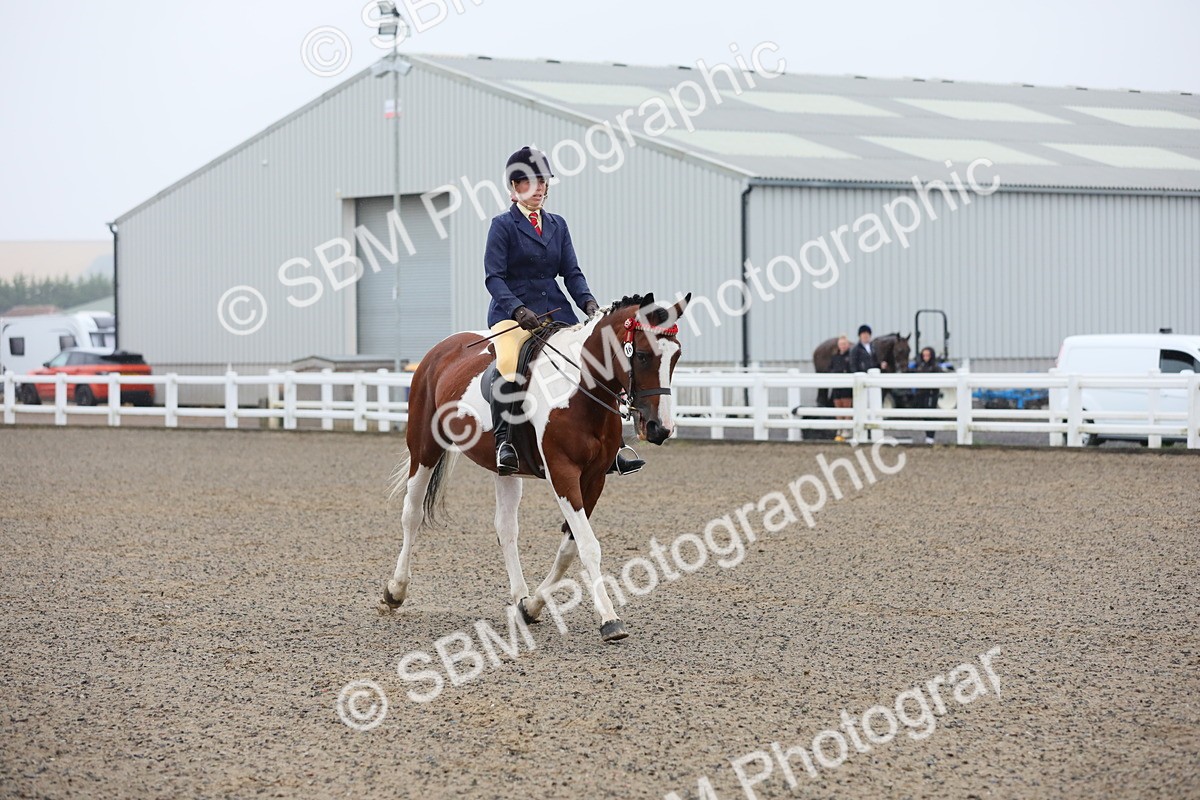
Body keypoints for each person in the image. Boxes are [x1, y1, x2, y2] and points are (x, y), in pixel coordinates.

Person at [484, 145, 643, 477]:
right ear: (514, 188)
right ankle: (505, 442)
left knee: (596, 361)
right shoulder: (503, 226)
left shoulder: (558, 224)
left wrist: (588, 304)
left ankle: (613, 446)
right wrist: (517, 309)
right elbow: (494, 278)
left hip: (557, 314)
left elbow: (571, 272)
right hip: (512, 316)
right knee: (509, 364)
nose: (540, 188)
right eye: (531, 182)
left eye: (543, 181)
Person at [913, 346, 942, 444]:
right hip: (921, 393)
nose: (925, 357)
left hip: (931, 393)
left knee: (931, 414)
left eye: (927, 355)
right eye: (924, 355)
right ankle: (928, 435)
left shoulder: (935, 367)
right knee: (924, 414)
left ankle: (930, 436)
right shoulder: (920, 366)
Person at [828, 335, 853, 442]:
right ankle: (840, 427)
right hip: (837, 385)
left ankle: (847, 428)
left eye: (844, 344)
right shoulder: (835, 357)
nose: (842, 346)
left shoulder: (850, 356)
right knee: (838, 406)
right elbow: (830, 369)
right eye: (841, 344)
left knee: (846, 406)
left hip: (846, 385)